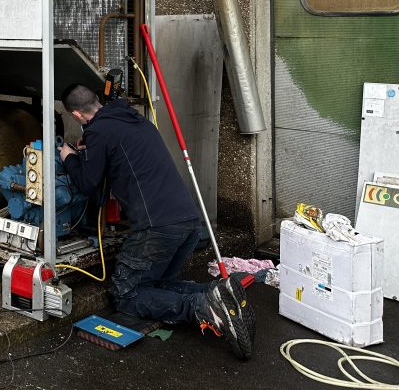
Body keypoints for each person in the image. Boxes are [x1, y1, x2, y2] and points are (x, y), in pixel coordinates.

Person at [59, 83, 254, 360]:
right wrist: (90, 149)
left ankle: (203, 305)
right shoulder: (135, 120)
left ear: (77, 115)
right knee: (156, 285)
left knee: (125, 295)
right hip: (188, 223)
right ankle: (217, 290)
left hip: (157, 229)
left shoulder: (98, 131)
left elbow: (89, 185)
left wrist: (70, 159)